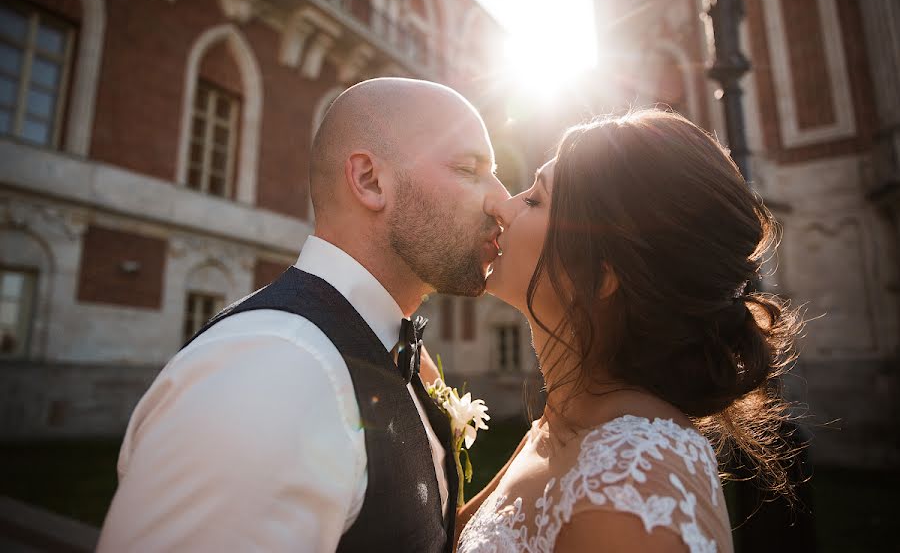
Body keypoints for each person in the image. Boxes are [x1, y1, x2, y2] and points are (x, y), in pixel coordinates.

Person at [97, 78, 509, 552]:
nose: (502, 201)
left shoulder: (382, 352)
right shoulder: (271, 373)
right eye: (469, 169)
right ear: (371, 181)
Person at [456, 110, 802, 553]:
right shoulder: (561, 424)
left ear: (601, 277)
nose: (502, 205)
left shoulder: (626, 490)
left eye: (535, 200)